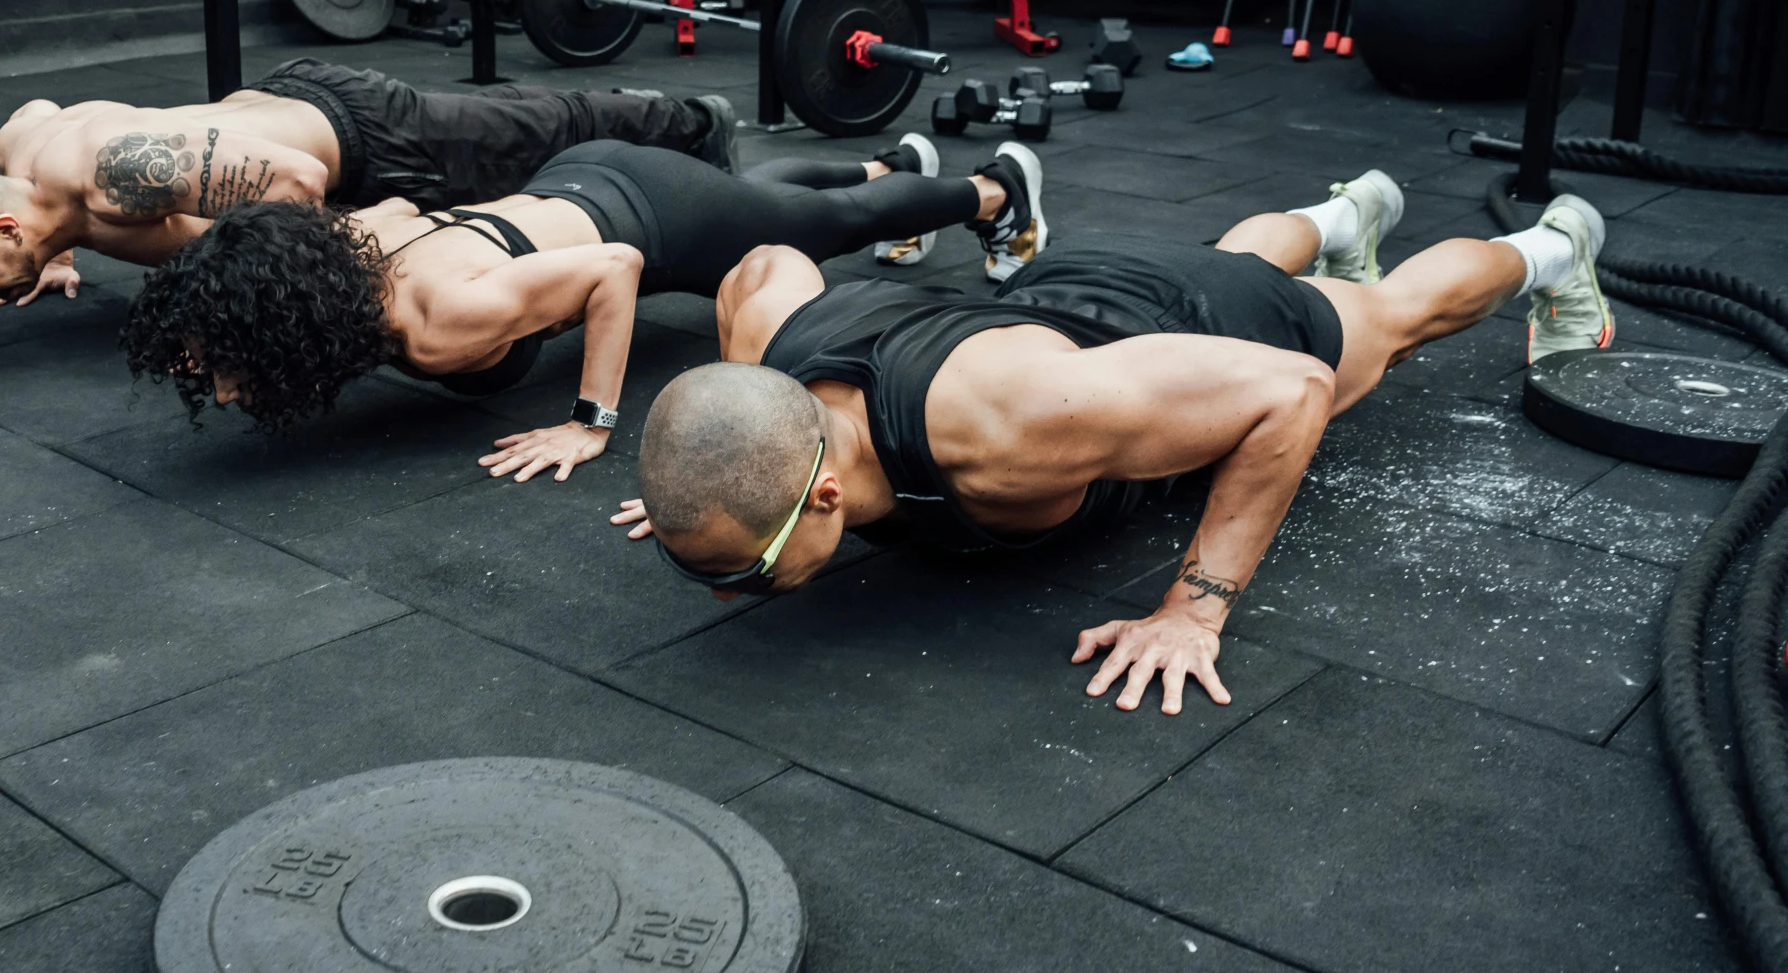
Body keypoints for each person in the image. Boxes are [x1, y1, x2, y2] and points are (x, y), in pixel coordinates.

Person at [616, 159, 1617, 714]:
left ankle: (1555, 250)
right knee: (1220, 253)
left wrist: (1192, 611)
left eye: (742, 573)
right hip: (1085, 308)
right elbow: (763, 261)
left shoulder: (999, 430)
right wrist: (702, 486)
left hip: (1210, 327)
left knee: (1389, 321)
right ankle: (1343, 207)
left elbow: (1292, 391)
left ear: (822, 495)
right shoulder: (772, 363)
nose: (721, 593)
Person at [119, 138, 1046, 483]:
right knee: (764, 198)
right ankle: (889, 162)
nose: (230, 394)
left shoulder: (438, 319)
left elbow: (615, 269)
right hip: (576, 180)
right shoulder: (351, 249)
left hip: (644, 216)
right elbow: (398, 210)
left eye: (234, 368)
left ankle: (995, 191)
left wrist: (591, 423)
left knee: (822, 228)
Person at [0, 60, 736, 311]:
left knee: (541, 129)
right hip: (298, 110)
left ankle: (699, 122)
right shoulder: (22, 149)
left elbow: (297, 179)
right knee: (522, 124)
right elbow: (33, 106)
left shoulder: (108, 175)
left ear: (3, 227)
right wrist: (54, 254)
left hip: (364, 141)